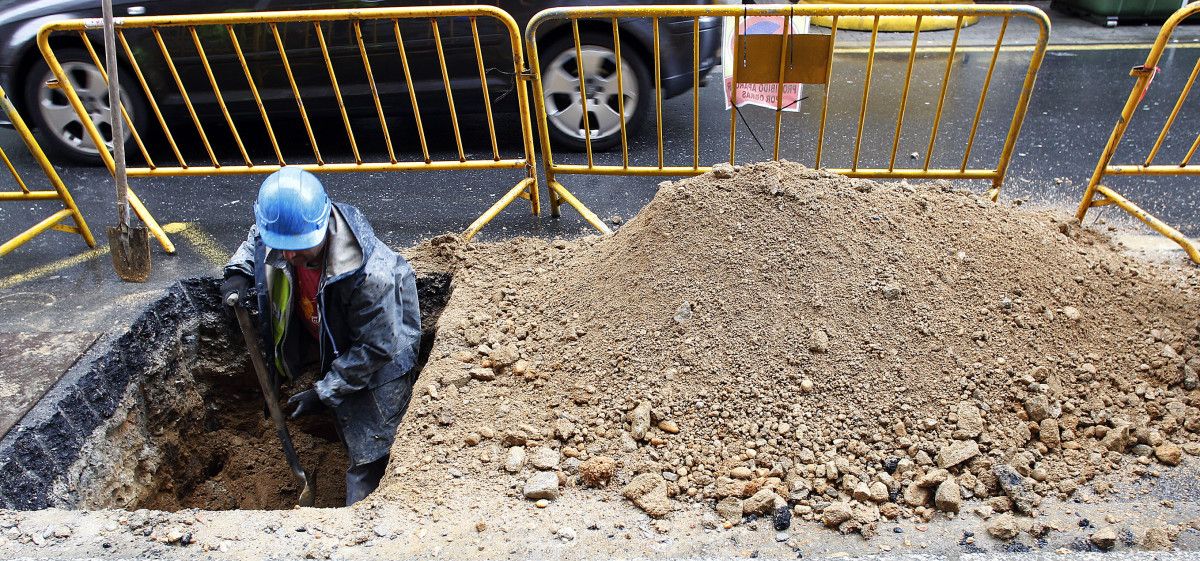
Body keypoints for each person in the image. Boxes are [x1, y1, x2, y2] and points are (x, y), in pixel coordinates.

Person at [220, 168, 421, 505]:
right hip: (326, 332)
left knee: (371, 445)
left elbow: (376, 348)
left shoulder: (373, 275)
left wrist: (324, 392)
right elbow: (259, 236)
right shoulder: (290, 233)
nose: (288, 257)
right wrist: (238, 272)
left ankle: (360, 520)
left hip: (381, 356)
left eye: (298, 249)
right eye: (281, 247)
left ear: (323, 223)